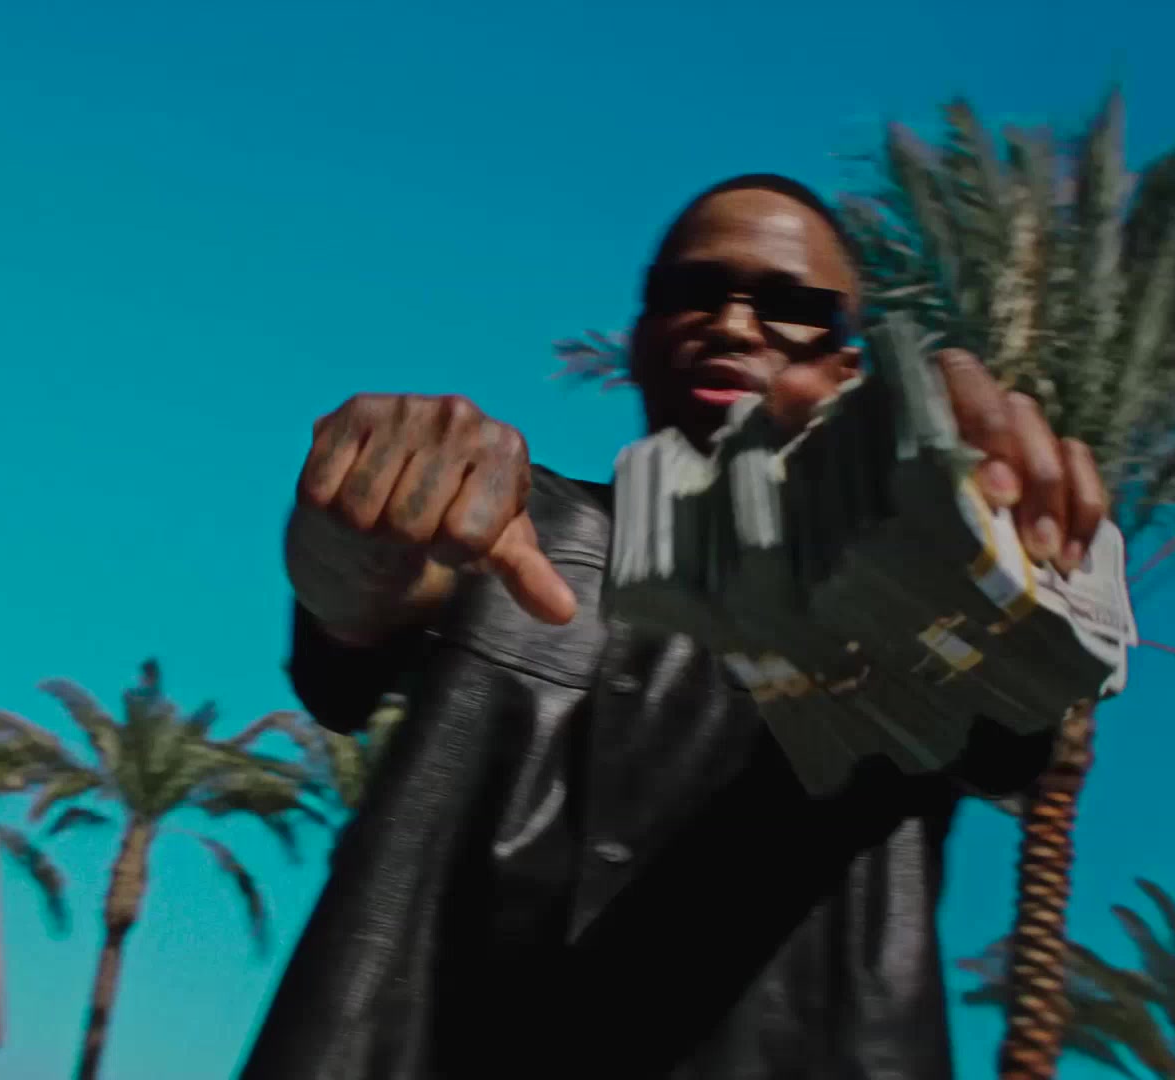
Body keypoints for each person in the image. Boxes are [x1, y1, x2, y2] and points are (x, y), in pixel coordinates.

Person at [240, 174, 1111, 1079]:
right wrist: (356, 534)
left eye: (789, 305)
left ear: (849, 367)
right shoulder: (507, 527)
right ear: (641, 340)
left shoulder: (909, 576)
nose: (732, 325)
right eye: (694, 291)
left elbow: (1005, 721)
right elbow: (359, 609)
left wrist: (994, 553)